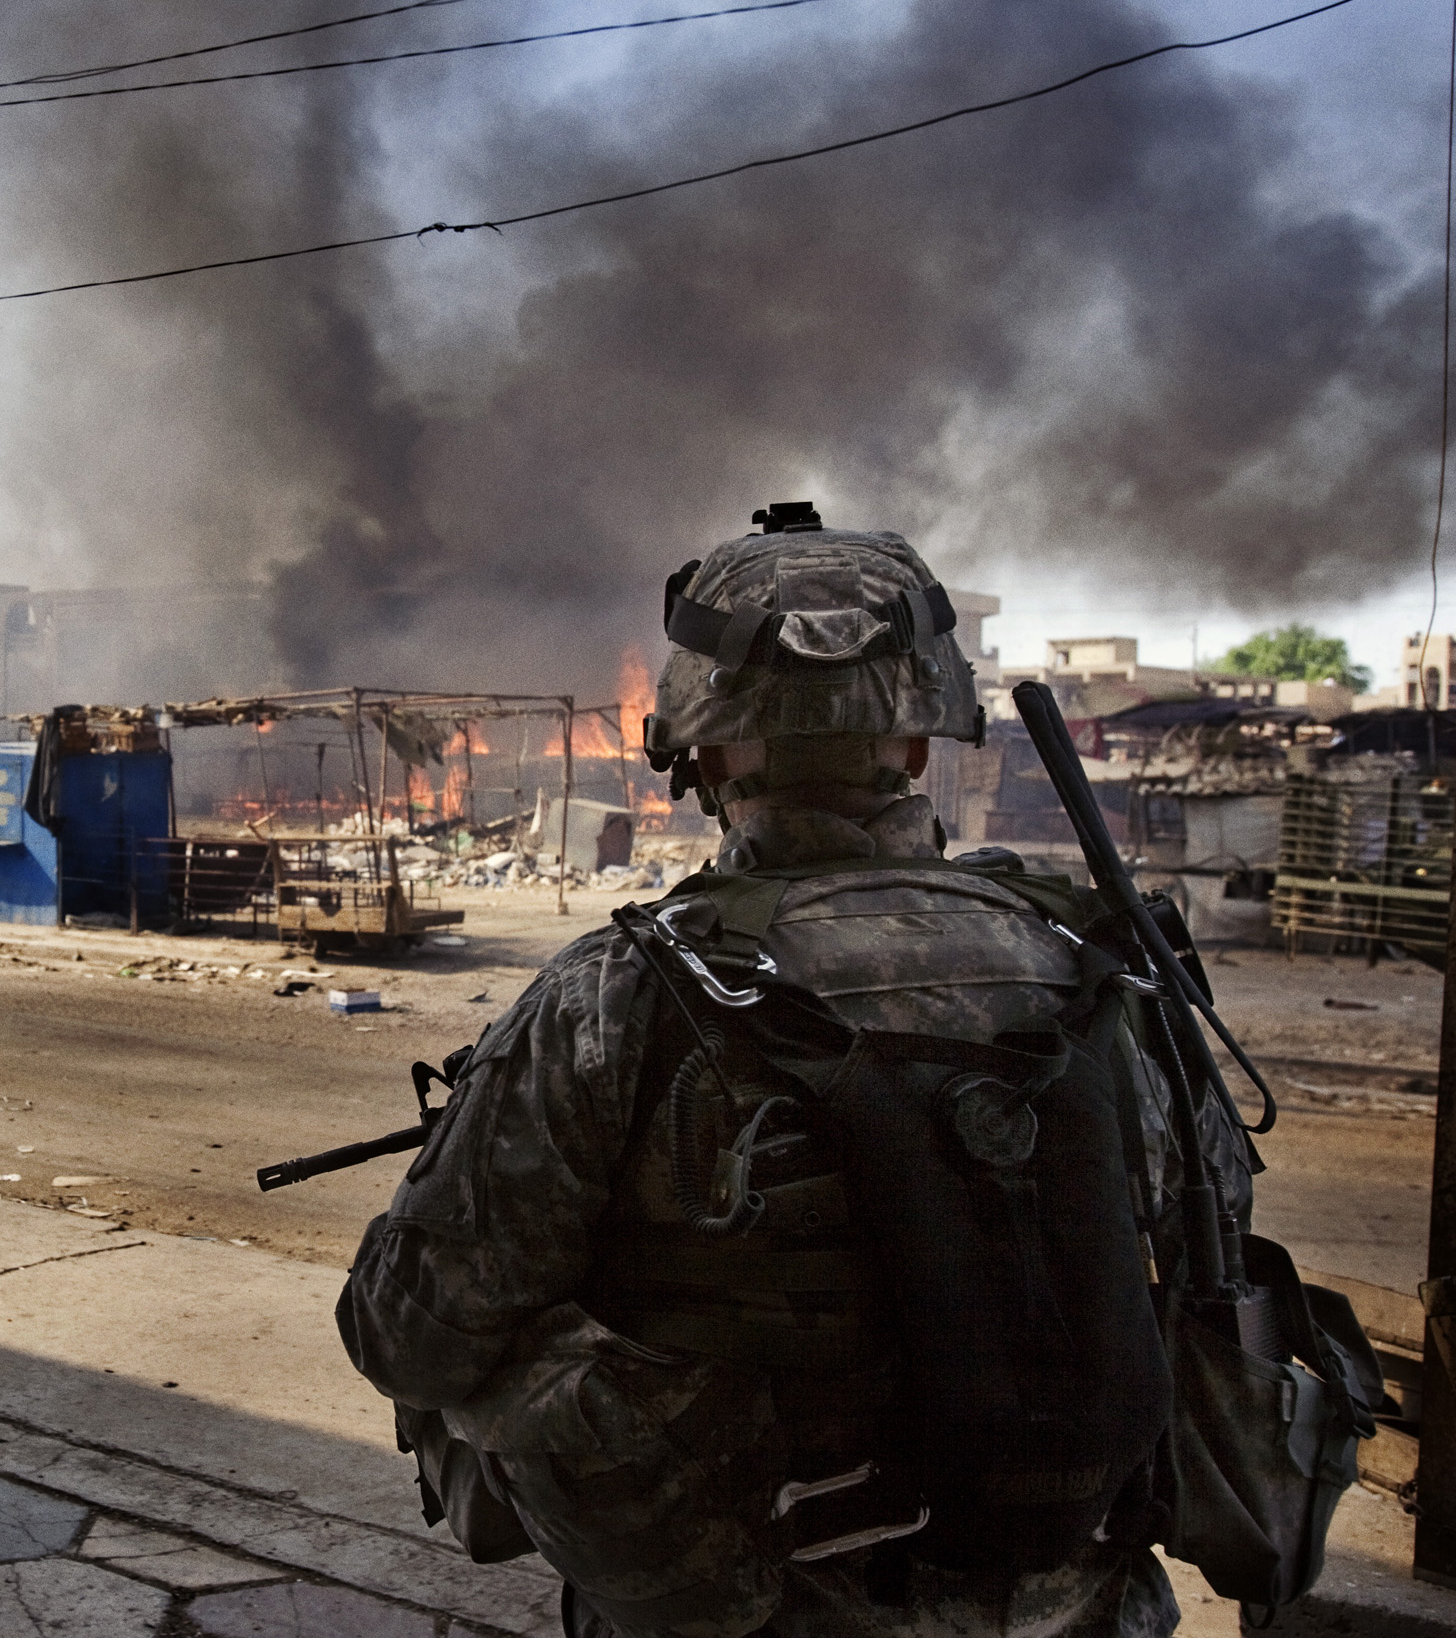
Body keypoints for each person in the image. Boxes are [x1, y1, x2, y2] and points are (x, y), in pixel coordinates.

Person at [337, 505, 1255, 1637]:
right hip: (1085, 1603)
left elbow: (405, 1328)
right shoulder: (1103, 967)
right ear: (921, 743)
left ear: (703, 751)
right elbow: (1211, 1247)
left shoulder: (621, 994)